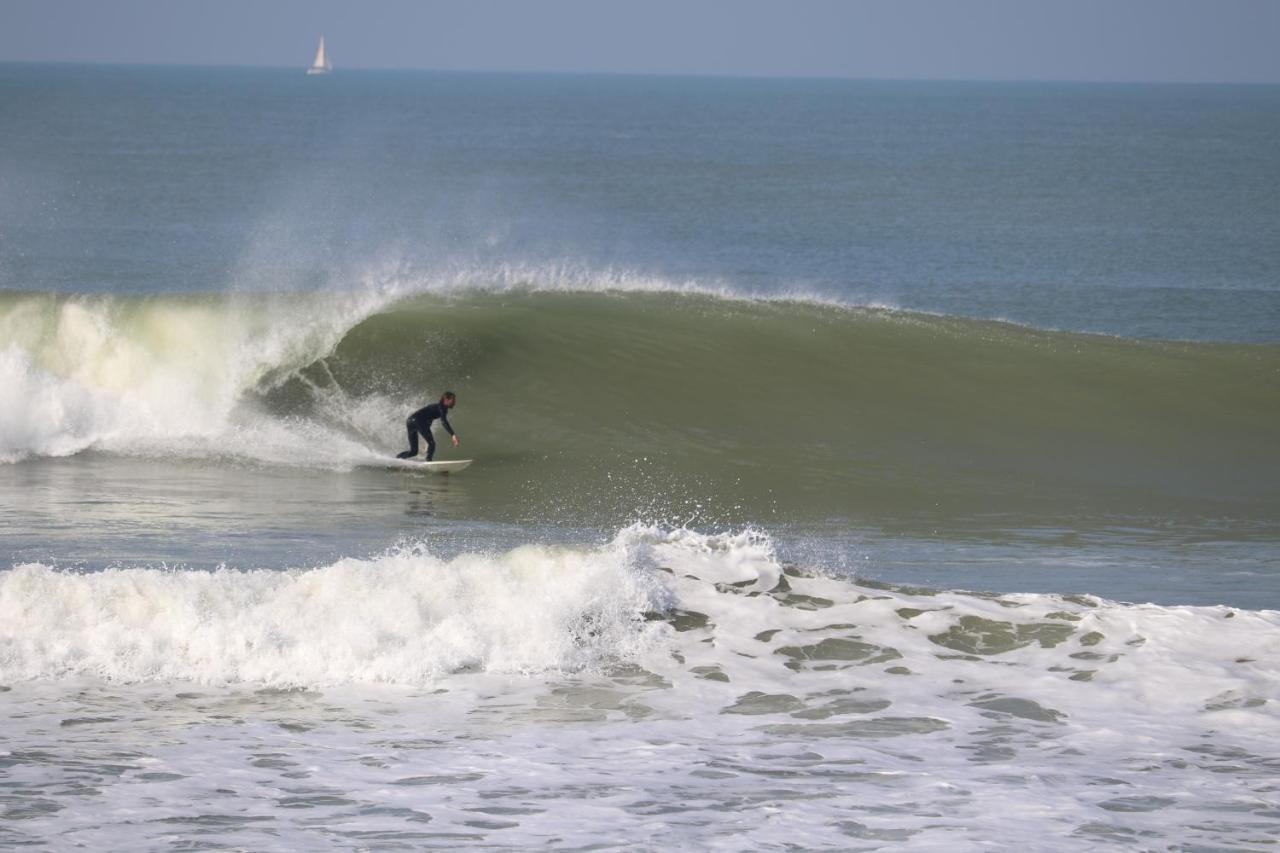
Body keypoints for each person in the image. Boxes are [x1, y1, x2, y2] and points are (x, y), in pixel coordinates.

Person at [397, 391, 460, 461]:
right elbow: (444, 422)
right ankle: (428, 461)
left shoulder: (434, 408)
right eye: (453, 400)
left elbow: (426, 425)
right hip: (418, 421)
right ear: (446, 400)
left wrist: (427, 442)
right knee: (432, 444)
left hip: (410, 421)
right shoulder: (442, 408)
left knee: (413, 452)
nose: (454, 403)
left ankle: (396, 459)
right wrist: (453, 435)